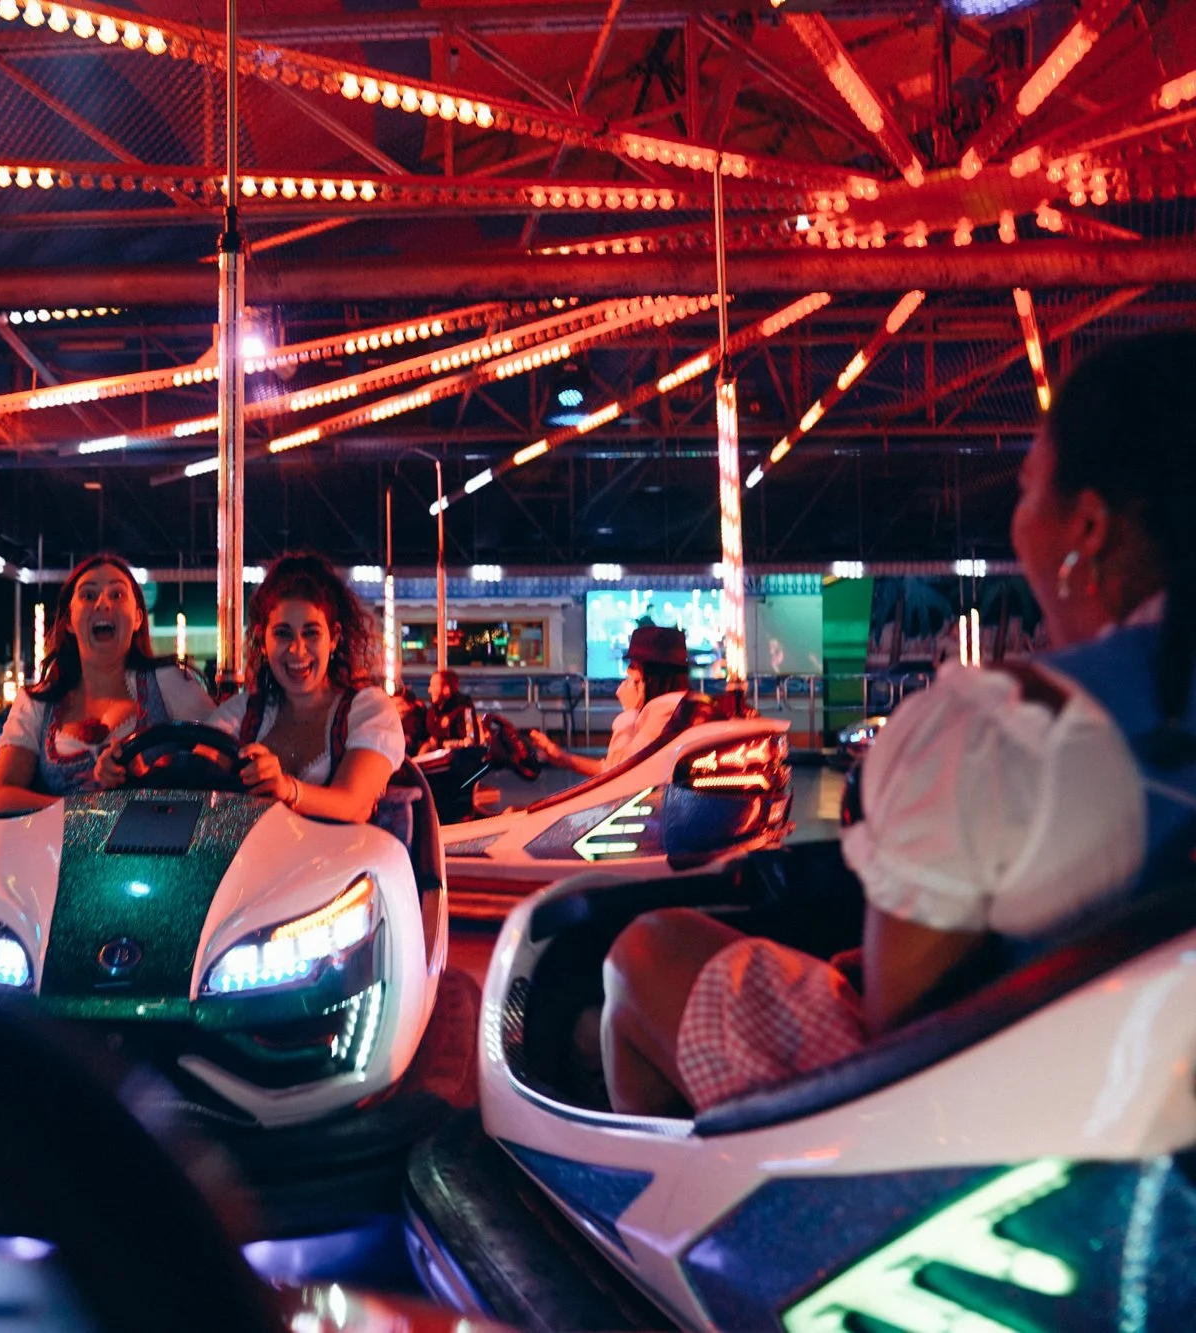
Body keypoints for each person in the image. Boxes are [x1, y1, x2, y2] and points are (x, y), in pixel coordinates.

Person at [600, 329, 1196, 1118]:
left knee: (644, 951)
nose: (1018, 520)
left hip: (994, 1120)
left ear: (1088, 529)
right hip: (1143, 1073)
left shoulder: (997, 729)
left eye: (1025, 489)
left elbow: (900, 1028)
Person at [0, 553, 213, 815]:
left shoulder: (170, 682)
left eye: (117, 595)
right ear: (69, 621)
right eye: (89, 595)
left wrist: (157, 773)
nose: (103, 603)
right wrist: (84, 811)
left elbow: (220, 760)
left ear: (138, 618)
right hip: (59, 854)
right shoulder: (38, 702)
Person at [194, 552, 402, 824]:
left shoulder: (369, 710)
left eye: (311, 633)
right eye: (283, 633)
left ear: (334, 638)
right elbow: (196, 773)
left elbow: (353, 803)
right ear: (263, 639)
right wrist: (140, 772)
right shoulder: (243, 711)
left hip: (339, 863)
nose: (297, 649)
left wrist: (285, 788)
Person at [529, 625, 690, 776]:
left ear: (653, 674)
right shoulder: (675, 704)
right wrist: (562, 757)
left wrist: (629, 712)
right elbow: (610, 769)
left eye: (634, 665)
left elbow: (620, 773)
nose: (628, 672)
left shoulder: (665, 709)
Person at [422, 669, 480, 750]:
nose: (429, 690)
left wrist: (442, 744)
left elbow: (471, 741)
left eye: (433, 685)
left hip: (457, 760)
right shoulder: (432, 711)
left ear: (446, 689)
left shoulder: (464, 708)